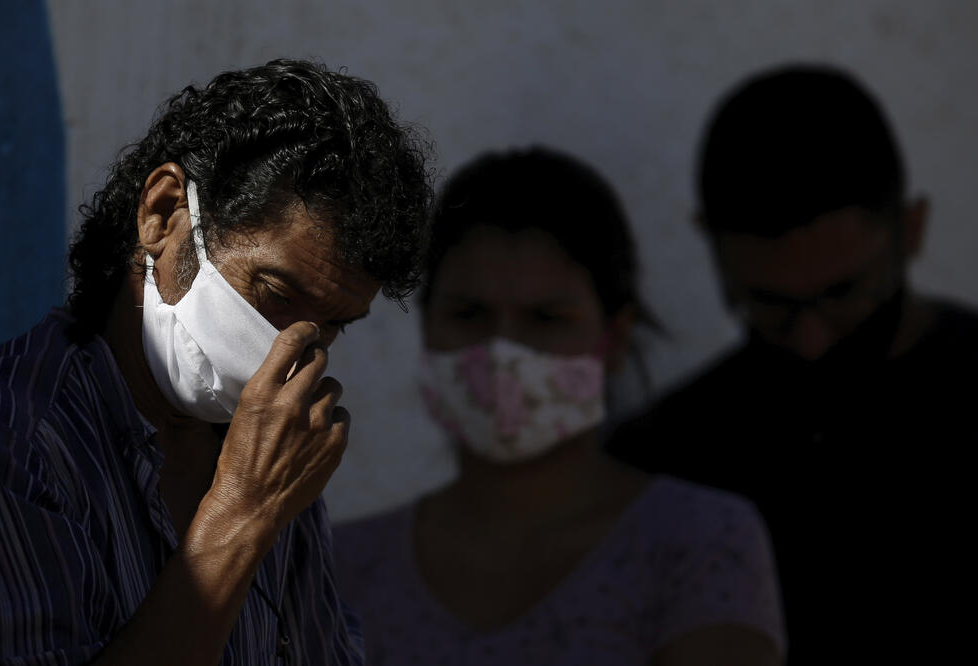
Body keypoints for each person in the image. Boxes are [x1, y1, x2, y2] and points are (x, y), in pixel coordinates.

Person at [0, 59, 432, 665]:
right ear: (164, 215)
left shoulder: (270, 446)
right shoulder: (14, 443)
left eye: (330, 325)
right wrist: (242, 513)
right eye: (274, 296)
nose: (292, 350)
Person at [333, 147, 786, 665]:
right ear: (428, 327)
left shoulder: (701, 542)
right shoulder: (342, 567)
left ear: (614, 338)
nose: (503, 349)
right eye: (469, 313)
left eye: (546, 318)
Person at [606, 64, 978, 661]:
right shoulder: (661, 465)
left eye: (842, 294)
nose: (811, 340)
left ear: (911, 230)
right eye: (769, 304)